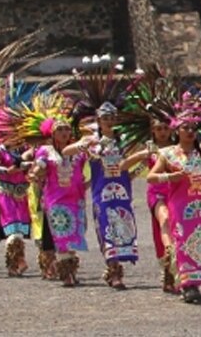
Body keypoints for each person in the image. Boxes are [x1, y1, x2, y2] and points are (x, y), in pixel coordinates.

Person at [147, 120, 201, 303]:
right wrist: (170, 176)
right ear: (177, 131)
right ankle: (187, 284)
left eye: (193, 128)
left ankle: (197, 281)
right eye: (185, 128)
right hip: (179, 206)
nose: (190, 131)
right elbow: (151, 177)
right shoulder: (167, 154)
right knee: (182, 241)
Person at [66, 102, 139, 290]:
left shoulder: (124, 141)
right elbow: (67, 151)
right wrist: (84, 146)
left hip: (122, 193)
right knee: (106, 227)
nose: (109, 121)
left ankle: (116, 269)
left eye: (112, 118)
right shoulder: (92, 141)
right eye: (106, 118)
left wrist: (134, 173)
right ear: (99, 120)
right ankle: (114, 271)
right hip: (102, 193)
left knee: (124, 228)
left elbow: (138, 160)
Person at [121, 115, 176, 290]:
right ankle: (170, 255)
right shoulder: (150, 149)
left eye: (165, 128)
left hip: (176, 194)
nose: (162, 132)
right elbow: (125, 166)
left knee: (173, 227)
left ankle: (170, 272)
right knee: (165, 220)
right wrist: (144, 154)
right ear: (153, 130)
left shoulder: (177, 148)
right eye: (158, 129)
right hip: (157, 193)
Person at [33, 118, 89, 287]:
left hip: (76, 200)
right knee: (62, 236)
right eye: (60, 130)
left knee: (73, 237)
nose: (64, 132)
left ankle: (70, 270)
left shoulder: (79, 153)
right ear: (52, 133)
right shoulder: (45, 151)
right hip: (56, 200)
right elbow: (38, 170)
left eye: (66, 129)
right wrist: (38, 170)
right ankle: (66, 273)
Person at [0, 143, 34, 276]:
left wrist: (25, 166)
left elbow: (37, 162)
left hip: (22, 192)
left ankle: (16, 262)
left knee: (19, 229)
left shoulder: (27, 148)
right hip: (6, 193)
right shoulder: (1, 150)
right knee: (12, 229)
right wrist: (6, 171)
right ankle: (16, 262)